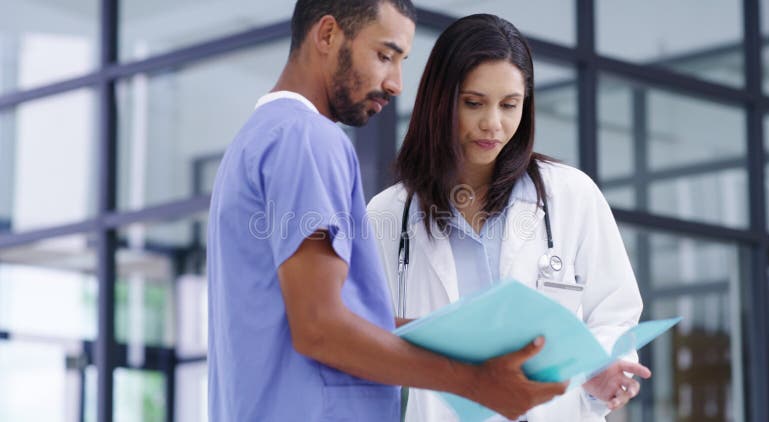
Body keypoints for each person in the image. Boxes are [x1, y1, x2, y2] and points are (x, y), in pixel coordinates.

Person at [207, 2, 567, 421]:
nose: (396, 83)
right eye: (384, 55)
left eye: (401, 62)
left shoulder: (258, 139)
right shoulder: (308, 139)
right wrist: (473, 381)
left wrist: (461, 339)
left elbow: (317, 316)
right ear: (327, 36)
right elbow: (320, 328)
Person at [367, 14, 651, 421]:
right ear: (439, 101)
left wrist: (599, 371)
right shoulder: (388, 216)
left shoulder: (571, 196)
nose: (493, 124)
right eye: (473, 103)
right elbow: (366, 342)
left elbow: (614, 313)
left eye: (509, 105)